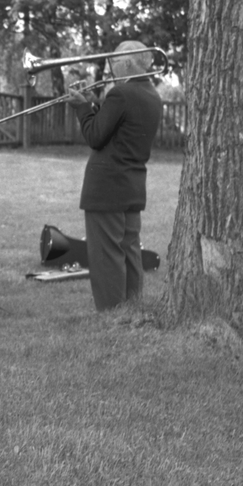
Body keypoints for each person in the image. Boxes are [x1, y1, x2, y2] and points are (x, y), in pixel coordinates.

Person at [66, 40, 164, 311]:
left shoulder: (121, 93)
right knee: (129, 250)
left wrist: (81, 108)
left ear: (128, 62)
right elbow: (117, 130)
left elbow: (95, 136)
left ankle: (111, 314)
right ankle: (133, 309)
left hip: (106, 187)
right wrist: (93, 105)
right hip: (132, 186)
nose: (110, 68)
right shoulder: (152, 95)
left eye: (114, 62)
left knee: (106, 254)